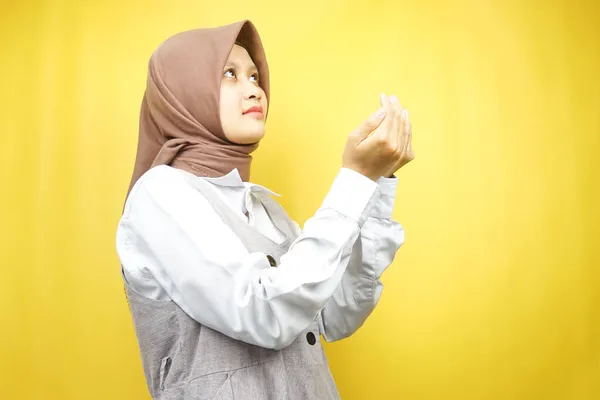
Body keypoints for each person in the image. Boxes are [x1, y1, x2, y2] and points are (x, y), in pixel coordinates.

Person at [116, 19, 414, 400]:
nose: (254, 90)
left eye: (255, 77)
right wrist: (354, 178)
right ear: (184, 92)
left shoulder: (262, 207)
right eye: (230, 74)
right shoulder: (160, 194)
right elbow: (264, 313)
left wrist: (373, 184)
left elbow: (335, 314)